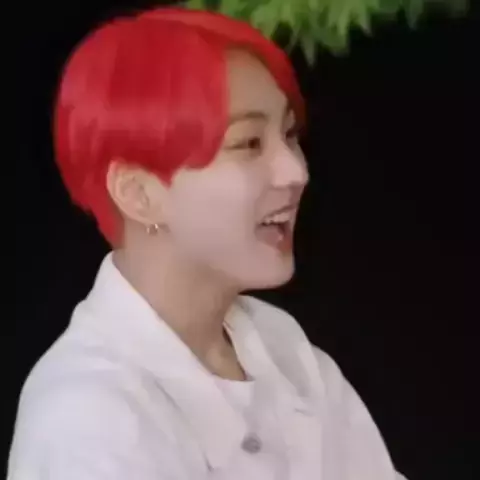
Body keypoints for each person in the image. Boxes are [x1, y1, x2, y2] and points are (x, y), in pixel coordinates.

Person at [9, 7, 407, 480]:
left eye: (289, 135)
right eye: (249, 144)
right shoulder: (87, 418)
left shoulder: (279, 344)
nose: (296, 172)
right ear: (138, 194)